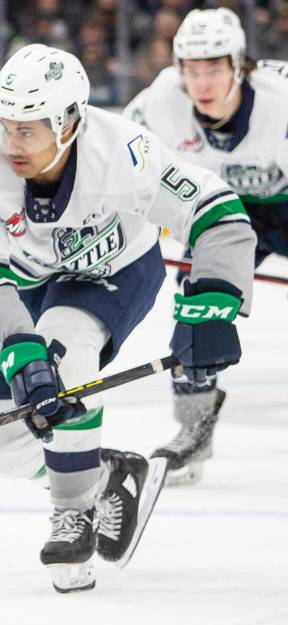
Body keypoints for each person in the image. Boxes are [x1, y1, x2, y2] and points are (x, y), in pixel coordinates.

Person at [0, 44, 255, 593]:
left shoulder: (124, 153)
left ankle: (71, 514)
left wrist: (215, 299)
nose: (11, 143)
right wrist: (16, 344)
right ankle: (107, 476)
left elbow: (214, 209)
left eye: (28, 130)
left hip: (112, 270)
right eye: (5, 125)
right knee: (3, 451)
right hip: (17, 287)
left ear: (69, 122)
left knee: (64, 346)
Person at [124, 8, 288, 486]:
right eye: (191, 70)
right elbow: (115, 166)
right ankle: (194, 425)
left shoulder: (281, 101)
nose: (202, 82)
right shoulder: (157, 104)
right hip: (226, 213)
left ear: (239, 66)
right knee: (196, 301)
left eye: (213, 69)